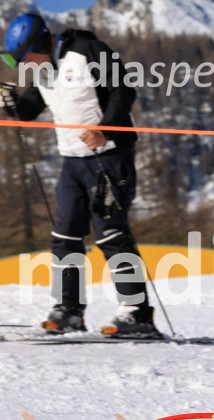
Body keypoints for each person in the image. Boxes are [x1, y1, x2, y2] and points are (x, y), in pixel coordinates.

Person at [1, 13, 158, 337]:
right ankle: (69, 309)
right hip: (72, 162)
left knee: (111, 233)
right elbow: (27, 112)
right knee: (65, 237)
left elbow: (123, 90)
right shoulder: (42, 71)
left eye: (23, 58)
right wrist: (9, 103)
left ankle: (137, 314)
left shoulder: (85, 50)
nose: (21, 66)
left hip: (109, 158)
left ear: (41, 43)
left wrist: (104, 129)